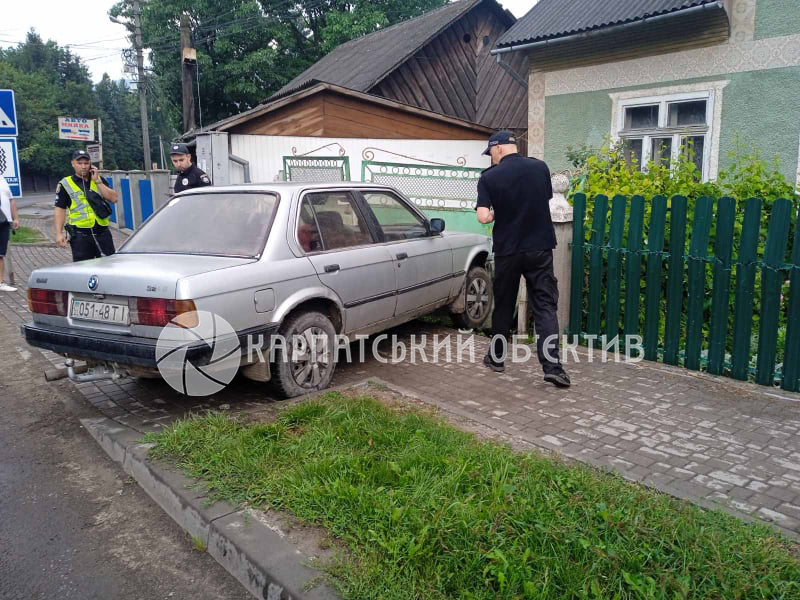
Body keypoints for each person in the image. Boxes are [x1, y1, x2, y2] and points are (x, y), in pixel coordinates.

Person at [476, 130, 570, 388]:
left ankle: (496, 359)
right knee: (545, 306)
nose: (491, 159)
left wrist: (497, 212)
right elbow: (544, 199)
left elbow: (483, 217)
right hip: (540, 248)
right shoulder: (540, 168)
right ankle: (553, 368)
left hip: (508, 251)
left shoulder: (488, 178)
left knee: (504, 305)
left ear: (498, 149)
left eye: (491, 154)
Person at [54, 149, 118, 262]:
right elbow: (60, 209)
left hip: (102, 233)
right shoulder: (65, 184)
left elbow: (113, 198)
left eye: (86, 163)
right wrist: (59, 233)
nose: (83, 166)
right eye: (79, 163)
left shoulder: (98, 179)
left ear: (91, 165)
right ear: (73, 164)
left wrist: (98, 181)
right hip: (80, 236)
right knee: (82, 269)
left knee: (109, 266)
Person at [0, 175, 20, 291]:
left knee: (1, 253)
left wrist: (15, 218)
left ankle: (0, 282)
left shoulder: (2, 179)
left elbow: (11, 200)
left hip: (4, 221)